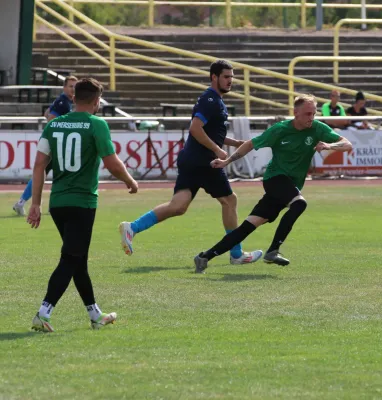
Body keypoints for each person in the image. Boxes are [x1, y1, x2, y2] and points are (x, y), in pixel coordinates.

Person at [118, 60, 262, 265]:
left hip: (191, 160)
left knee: (178, 206)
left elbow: (208, 131)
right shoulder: (210, 100)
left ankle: (132, 227)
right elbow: (195, 129)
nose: (231, 81)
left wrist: (233, 142)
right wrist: (216, 149)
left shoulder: (213, 100)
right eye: (226, 77)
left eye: (232, 77)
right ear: (214, 77)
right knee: (230, 201)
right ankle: (236, 253)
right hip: (205, 162)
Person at [193, 94, 353, 273]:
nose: (311, 118)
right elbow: (250, 144)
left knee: (249, 225)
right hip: (274, 179)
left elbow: (347, 144)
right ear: (296, 113)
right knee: (299, 204)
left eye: (313, 114)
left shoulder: (317, 129)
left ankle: (204, 257)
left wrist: (330, 147)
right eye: (308, 114)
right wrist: (226, 161)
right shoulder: (279, 129)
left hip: (290, 186)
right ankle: (273, 250)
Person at [28, 78, 138, 332]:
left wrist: (35, 203)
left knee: (78, 259)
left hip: (58, 203)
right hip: (82, 202)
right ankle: (43, 313)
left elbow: (39, 166)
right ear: (97, 101)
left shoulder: (53, 125)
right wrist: (130, 180)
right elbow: (111, 163)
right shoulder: (97, 124)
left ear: (74, 98)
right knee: (71, 258)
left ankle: (95, 314)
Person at [13, 76, 78, 217]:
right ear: (64, 87)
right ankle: (56, 204)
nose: (73, 89)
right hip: (55, 143)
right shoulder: (64, 103)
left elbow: (47, 113)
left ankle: (22, 202)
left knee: (42, 173)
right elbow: (51, 120)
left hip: (53, 142)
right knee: (58, 173)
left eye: (75, 86)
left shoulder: (62, 101)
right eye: (71, 86)